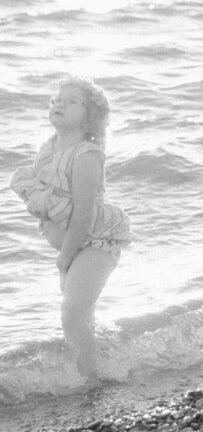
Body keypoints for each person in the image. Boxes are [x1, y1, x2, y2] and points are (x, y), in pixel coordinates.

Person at [9, 77, 132, 379]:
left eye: (72, 101)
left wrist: (65, 254)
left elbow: (84, 215)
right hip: (73, 244)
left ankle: (92, 382)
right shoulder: (47, 148)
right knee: (81, 312)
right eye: (57, 98)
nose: (59, 103)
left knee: (72, 313)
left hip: (95, 243)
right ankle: (103, 363)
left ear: (89, 117)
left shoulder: (86, 155)